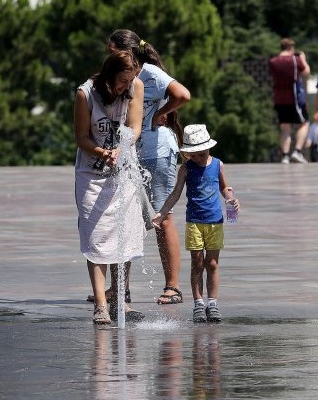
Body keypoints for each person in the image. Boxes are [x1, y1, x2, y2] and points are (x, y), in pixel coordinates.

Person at [107, 29, 191, 306]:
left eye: (113, 50)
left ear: (128, 51)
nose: (109, 55)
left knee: (161, 217)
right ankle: (121, 288)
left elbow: (183, 94)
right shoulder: (121, 76)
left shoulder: (150, 73)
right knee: (127, 219)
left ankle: (173, 287)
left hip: (157, 152)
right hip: (133, 152)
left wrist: (159, 114)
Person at [75, 50, 146, 325]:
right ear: (109, 77)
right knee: (96, 237)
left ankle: (120, 298)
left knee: (125, 235)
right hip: (92, 174)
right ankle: (101, 305)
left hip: (124, 170)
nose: (126, 87)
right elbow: (80, 137)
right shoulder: (85, 94)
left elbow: (135, 127)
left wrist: (121, 148)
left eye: (130, 81)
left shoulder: (135, 86)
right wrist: (102, 152)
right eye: (122, 81)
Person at [153, 124, 239, 324]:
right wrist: (162, 213)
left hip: (215, 222)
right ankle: (198, 303)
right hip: (194, 222)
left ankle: (213, 303)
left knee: (213, 264)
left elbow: (224, 187)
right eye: (194, 155)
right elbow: (175, 193)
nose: (199, 158)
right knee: (197, 263)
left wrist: (230, 199)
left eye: (202, 154)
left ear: (209, 148)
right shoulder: (186, 168)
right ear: (188, 154)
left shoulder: (218, 164)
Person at [268, 38, 310, 164]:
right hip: (294, 98)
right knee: (304, 123)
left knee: (284, 127)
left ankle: (285, 156)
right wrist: (303, 59)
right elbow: (306, 73)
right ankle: (297, 151)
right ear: (291, 48)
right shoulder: (295, 60)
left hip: (279, 98)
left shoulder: (273, 61)